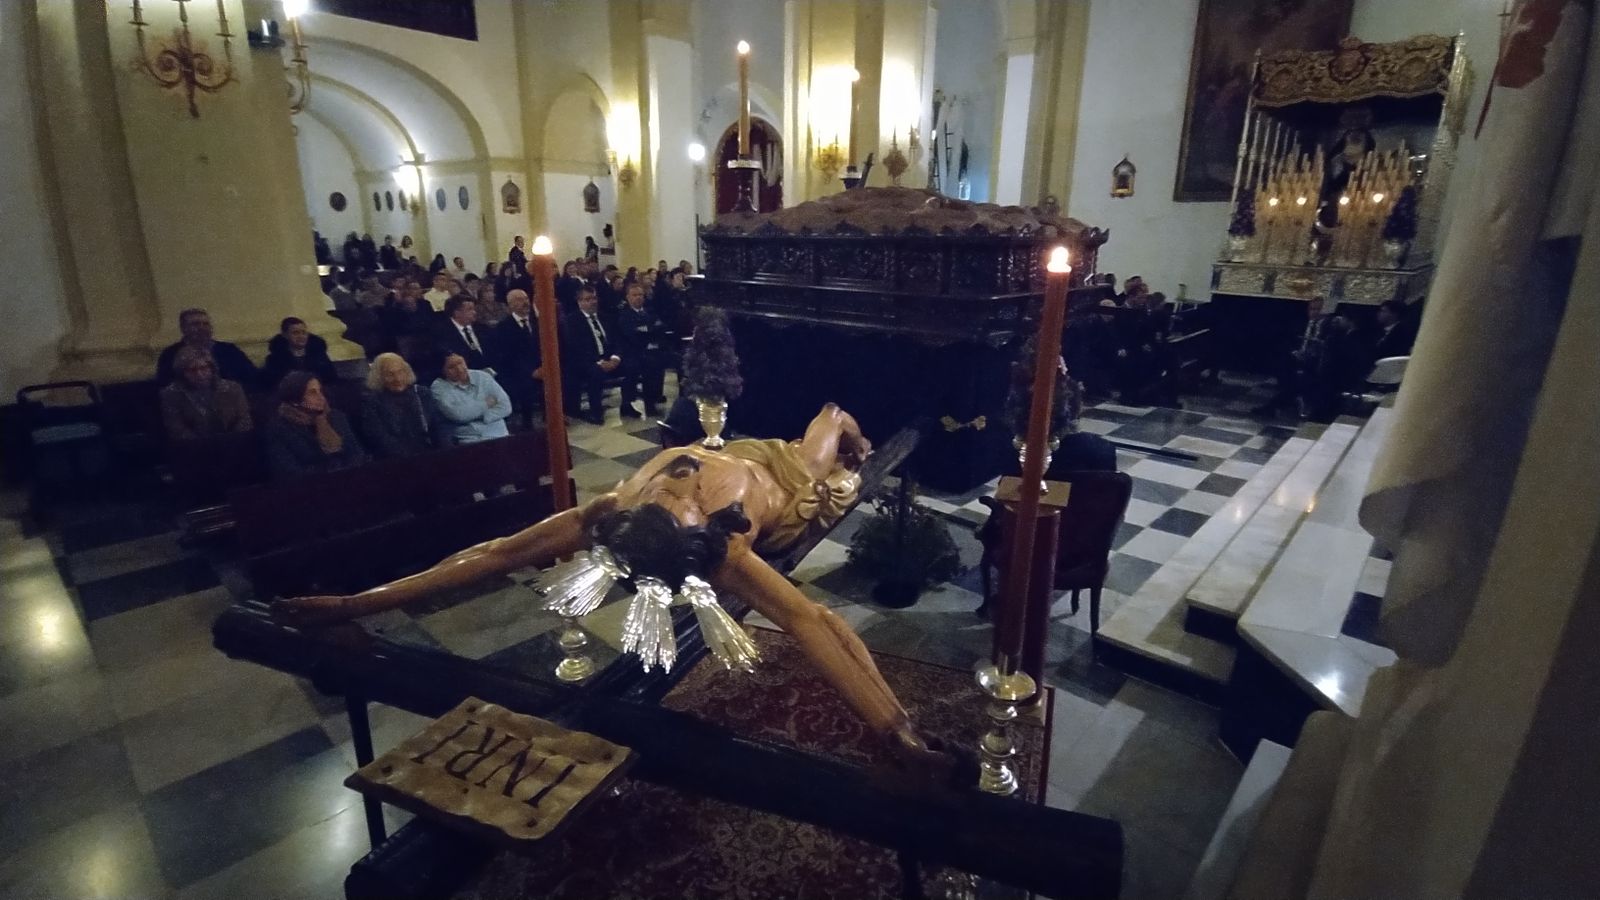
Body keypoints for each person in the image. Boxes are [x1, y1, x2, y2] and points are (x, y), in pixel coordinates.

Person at [275, 403, 956, 777]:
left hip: (746, 449)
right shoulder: (724, 545)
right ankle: (851, 444)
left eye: (675, 488)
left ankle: (854, 441)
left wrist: (355, 600)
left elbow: (490, 553)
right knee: (827, 427)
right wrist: (895, 731)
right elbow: (816, 624)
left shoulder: (626, 504)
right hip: (786, 480)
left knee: (835, 419)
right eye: (674, 490)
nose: (673, 482)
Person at [262, 372, 367, 479]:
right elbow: (289, 471)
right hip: (313, 486)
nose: (321, 397)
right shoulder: (278, 429)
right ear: (295, 400)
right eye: (312, 393)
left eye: (321, 391)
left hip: (350, 478)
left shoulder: (336, 417)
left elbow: (356, 452)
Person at [159, 345, 252, 441]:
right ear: (182, 373)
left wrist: (230, 440)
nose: (199, 374)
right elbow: (177, 429)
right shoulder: (171, 394)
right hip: (192, 448)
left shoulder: (232, 388)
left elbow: (244, 420)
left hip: (233, 444)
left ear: (212, 368)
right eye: (192, 370)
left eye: (203, 368)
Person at [560, 285, 622, 424]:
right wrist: (600, 363)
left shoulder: (605, 317)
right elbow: (577, 348)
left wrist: (615, 358)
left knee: (632, 365)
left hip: (609, 359)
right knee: (595, 372)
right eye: (588, 299)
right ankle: (596, 412)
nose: (593, 302)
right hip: (585, 362)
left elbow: (617, 340)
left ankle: (629, 404)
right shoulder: (572, 321)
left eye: (594, 298)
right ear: (580, 302)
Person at [361, 353, 441, 458]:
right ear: (379, 377)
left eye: (400, 372)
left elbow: (437, 427)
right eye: (390, 374)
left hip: (430, 454)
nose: (397, 379)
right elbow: (380, 439)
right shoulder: (371, 402)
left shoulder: (422, 393)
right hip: (396, 460)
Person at [156, 308, 258, 387]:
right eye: (195, 324)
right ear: (183, 328)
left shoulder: (229, 351)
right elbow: (167, 385)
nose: (201, 328)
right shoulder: (170, 355)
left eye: (206, 324)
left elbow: (252, 377)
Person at [431, 352, 512, 444]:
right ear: (442, 371)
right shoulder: (438, 388)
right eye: (451, 367)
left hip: (500, 434)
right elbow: (459, 415)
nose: (459, 369)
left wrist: (480, 416)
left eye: (460, 363)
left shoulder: (482, 376)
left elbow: (506, 406)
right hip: (469, 440)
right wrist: (486, 404)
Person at [491, 289, 543, 428]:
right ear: (511, 305)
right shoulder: (503, 328)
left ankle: (553, 415)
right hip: (518, 371)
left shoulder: (538, 322)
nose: (525, 302)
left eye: (526, 298)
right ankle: (528, 423)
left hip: (541, 366)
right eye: (520, 300)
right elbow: (509, 356)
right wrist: (531, 371)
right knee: (525, 385)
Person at [615, 282, 669, 418]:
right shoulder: (624, 315)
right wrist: (650, 331)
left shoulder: (649, 311)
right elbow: (632, 334)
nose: (638, 298)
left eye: (640, 295)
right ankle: (636, 404)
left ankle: (655, 396)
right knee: (644, 365)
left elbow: (660, 327)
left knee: (663, 361)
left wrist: (647, 330)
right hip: (632, 351)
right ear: (628, 297)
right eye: (635, 295)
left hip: (653, 349)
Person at [262, 316, 337, 389]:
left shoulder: (319, 356)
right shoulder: (275, 359)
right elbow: (274, 384)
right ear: (285, 335)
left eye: (304, 332)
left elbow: (331, 377)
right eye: (295, 333)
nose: (301, 336)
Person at [434, 296, 492, 372]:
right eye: (470, 309)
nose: (474, 312)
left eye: (474, 309)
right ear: (457, 313)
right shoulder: (442, 333)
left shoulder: (483, 329)